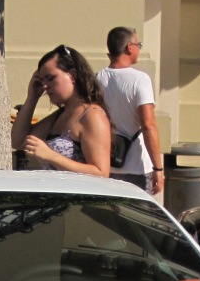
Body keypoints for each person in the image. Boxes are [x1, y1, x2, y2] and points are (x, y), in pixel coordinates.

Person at [11, 44, 111, 178]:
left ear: (72, 75)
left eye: (51, 78)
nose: (45, 86)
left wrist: (51, 156)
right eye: (42, 81)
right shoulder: (60, 116)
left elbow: (101, 172)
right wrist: (32, 97)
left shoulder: (92, 115)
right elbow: (19, 141)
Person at [96, 26, 164, 195]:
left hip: (107, 163)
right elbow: (148, 124)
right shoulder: (140, 80)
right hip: (137, 166)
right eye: (138, 44)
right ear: (129, 47)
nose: (139, 49)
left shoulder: (97, 79)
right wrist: (158, 167)